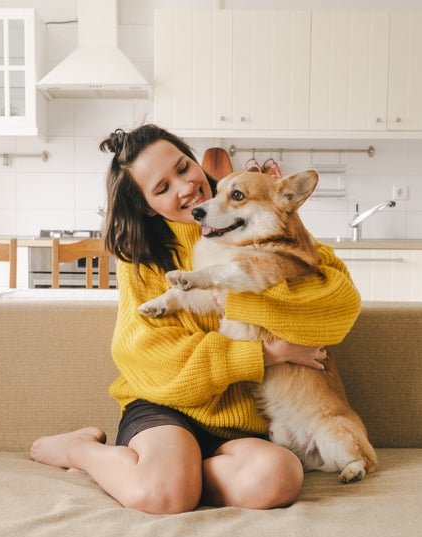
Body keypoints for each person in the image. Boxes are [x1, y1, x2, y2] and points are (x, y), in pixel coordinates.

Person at [31, 124, 362, 514]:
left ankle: (175, 474)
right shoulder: (141, 256)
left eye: (183, 167)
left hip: (241, 417)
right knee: (163, 496)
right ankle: (79, 449)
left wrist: (236, 303)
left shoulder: (263, 215)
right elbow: (145, 354)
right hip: (167, 407)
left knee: (279, 479)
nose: (185, 187)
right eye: (162, 188)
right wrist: (265, 355)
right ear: (145, 206)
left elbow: (339, 306)